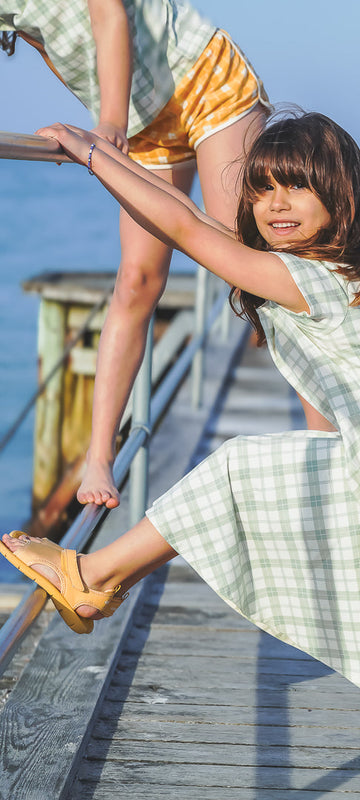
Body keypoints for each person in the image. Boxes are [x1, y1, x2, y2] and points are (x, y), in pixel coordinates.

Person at [0, 112, 360, 726]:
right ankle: (97, 583)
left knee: (238, 467)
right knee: (247, 472)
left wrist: (90, 158)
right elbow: (199, 219)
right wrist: (104, 149)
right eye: (261, 189)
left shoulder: (308, 276)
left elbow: (183, 229)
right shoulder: (318, 266)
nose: (275, 205)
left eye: (297, 187)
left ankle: (90, 576)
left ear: (341, 198)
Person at [0, 0, 271, 509]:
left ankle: (330, 432)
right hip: (143, 126)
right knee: (137, 280)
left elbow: (108, 13)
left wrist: (107, 123)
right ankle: (98, 455)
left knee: (250, 271)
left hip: (203, 82)